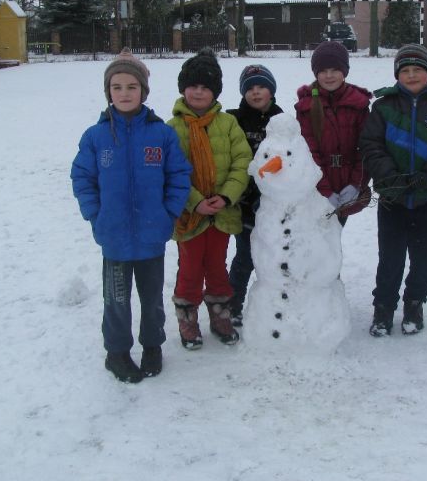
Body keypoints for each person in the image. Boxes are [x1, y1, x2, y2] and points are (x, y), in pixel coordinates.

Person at [71, 48, 192, 383]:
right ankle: (117, 353)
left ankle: (153, 346)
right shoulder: (96, 137)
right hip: (114, 238)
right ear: (108, 92)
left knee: (152, 298)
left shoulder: (161, 134)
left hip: (153, 235)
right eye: (117, 87)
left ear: (143, 91)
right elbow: (82, 177)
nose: (124, 93)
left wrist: (169, 213)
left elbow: (179, 175)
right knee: (117, 300)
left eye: (132, 87)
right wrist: (95, 214)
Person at [359, 44, 427, 337]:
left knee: (423, 257)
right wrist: (389, 175)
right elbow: (370, 144)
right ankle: (383, 307)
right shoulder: (383, 106)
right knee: (390, 257)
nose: (411, 75)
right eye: (405, 70)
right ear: (397, 75)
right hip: (392, 198)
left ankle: (415, 303)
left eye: (417, 69)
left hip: (426, 198)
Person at [167, 48, 252, 349]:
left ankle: (220, 313)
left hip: (221, 213)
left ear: (215, 91)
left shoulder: (228, 124)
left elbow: (242, 162)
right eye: (193, 85)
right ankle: (187, 319)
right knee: (190, 267)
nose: (199, 91)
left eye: (206, 86)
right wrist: (195, 201)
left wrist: (227, 196)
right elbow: (170, 172)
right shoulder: (173, 128)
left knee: (217, 266)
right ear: (183, 88)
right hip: (190, 215)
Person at [226, 64, 284, 326]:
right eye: (250, 88)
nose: (256, 92)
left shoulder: (281, 119)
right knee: (245, 257)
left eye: (261, 86)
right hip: (245, 204)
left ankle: (277, 306)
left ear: (271, 90)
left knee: (276, 258)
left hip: (275, 204)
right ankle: (232, 304)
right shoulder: (235, 121)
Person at [295, 41, 372, 225]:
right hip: (317, 189)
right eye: (323, 71)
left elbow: (366, 148)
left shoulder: (358, 105)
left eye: (334, 70)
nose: (329, 76)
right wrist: (324, 190)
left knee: (333, 244)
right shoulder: (307, 107)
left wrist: (355, 184)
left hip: (347, 188)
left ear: (344, 71)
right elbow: (308, 151)